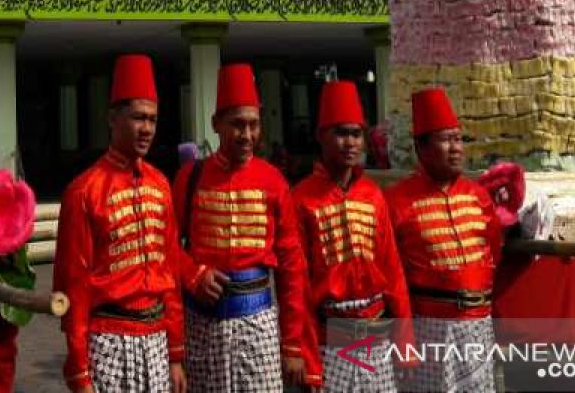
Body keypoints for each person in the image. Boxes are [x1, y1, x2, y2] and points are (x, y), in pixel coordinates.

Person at [53, 55, 187, 392]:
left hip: (156, 339)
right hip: (109, 342)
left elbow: (169, 273)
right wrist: (79, 370)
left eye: (153, 120)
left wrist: (175, 354)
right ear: (112, 118)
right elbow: (74, 286)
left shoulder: (160, 184)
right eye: (138, 118)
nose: (147, 129)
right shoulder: (84, 191)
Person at [173, 63, 308, 391]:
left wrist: (292, 344)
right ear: (215, 124)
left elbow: (292, 266)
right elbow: (166, 245)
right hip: (202, 324)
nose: (247, 135)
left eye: (254, 125)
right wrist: (193, 274)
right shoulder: (190, 177)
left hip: (258, 324)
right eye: (237, 125)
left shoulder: (274, 181)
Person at [292, 80, 414, 392]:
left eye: (357, 133)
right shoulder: (302, 198)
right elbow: (297, 288)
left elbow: (393, 272)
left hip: (377, 337)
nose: (350, 143)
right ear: (321, 137)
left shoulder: (373, 195)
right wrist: (307, 359)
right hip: (329, 340)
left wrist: (405, 345)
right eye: (341, 133)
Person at [385, 88, 503, 393]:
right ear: (421, 148)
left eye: (458, 139)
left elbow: (494, 253)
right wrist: (404, 340)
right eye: (446, 139)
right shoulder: (397, 201)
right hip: (430, 328)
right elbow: (392, 280)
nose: (456, 148)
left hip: (479, 326)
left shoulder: (478, 196)